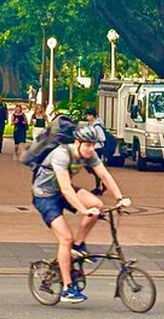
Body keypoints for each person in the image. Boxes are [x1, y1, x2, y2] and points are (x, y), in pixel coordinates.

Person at [31, 125, 131, 303]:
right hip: (45, 196)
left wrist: (120, 198)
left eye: (93, 145)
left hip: (60, 191)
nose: (91, 149)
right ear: (77, 143)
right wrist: (84, 211)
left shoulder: (90, 155)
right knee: (65, 238)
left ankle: (78, 244)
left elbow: (105, 176)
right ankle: (68, 289)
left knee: (97, 204)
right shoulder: (62, 154)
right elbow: (66, 189)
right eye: (87, 145)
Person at [84, 107, 108, 193]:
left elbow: (102, 138)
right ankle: (101, 185)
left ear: (92, 115)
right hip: (94, 148)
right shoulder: (91, 125)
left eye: (88, 115)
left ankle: (100, 186)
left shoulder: (97, 126)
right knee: (93, 168)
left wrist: (92, 137)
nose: (87, 117)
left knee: (95, 168)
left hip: (98, 148)